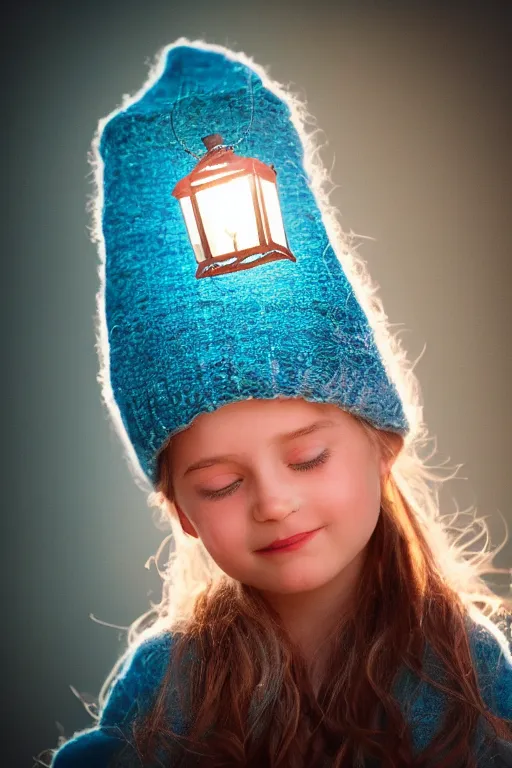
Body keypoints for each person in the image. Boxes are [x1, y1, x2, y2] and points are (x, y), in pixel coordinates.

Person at [43, 39, 512, 767]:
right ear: (180, 511)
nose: (273, 502)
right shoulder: (163, 690)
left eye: (308, 456)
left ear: (381, 445)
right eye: (220, 484)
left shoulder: (473, 678)